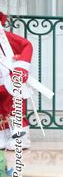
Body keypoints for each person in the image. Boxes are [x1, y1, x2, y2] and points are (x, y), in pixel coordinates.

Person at [0, 12, 35, 149]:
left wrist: (21, 68)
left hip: (9, 80)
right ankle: (3, 136)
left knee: (15, 107)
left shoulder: (7, 37)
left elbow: (26, 45)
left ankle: (20, 138)